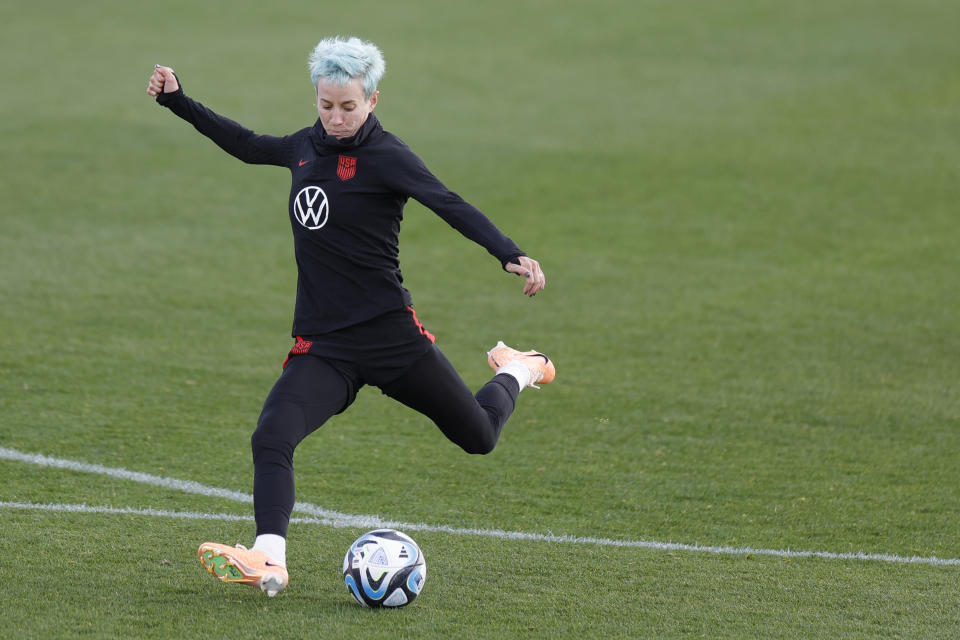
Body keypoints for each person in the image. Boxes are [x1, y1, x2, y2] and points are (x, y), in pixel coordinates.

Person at [146, 36, 555, 597]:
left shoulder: (389, 156)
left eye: (348, 107)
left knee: (479, 437)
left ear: (372, 100)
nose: (336, 118)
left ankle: (517, 368)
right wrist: (178, 99)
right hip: (325, 346)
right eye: (326, 105)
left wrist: (510, 253)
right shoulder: (302, 147)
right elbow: (243, 144)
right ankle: (269, 558)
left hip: (391, 339)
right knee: (271, 436)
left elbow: (448, 202)